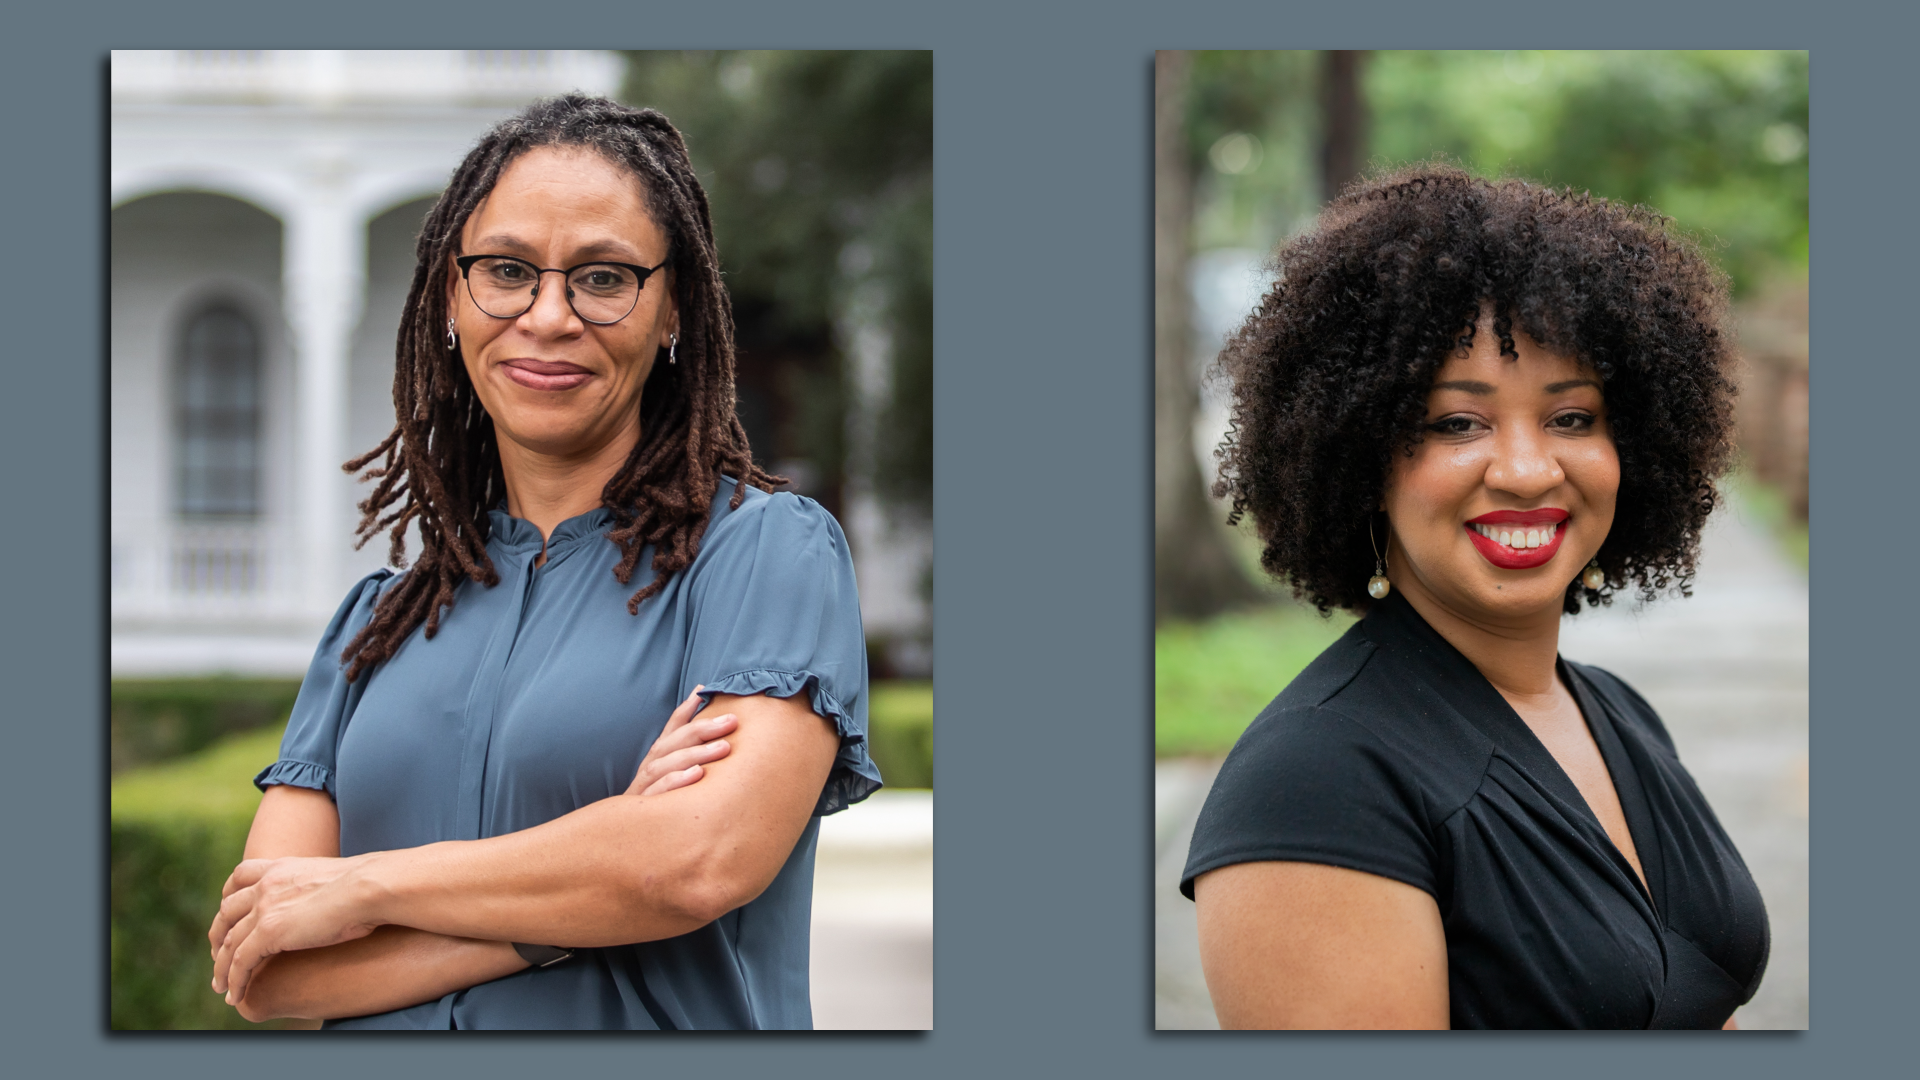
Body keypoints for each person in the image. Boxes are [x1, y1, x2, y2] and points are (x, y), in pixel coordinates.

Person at [204, 95, 880, 1030]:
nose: (549, 315)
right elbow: (267, 969)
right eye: (508, 271)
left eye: (603, 278)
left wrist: (363, 886)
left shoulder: (762, 555)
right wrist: (589, 887)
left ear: (672, 308)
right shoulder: (376, 626)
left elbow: (696, 862)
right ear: (452, 297)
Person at [1180, 166, 1768, 1029]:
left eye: (1572, 418)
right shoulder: (1314, 785)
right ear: (1361, 457)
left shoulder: (1619, 712)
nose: (1527, 471)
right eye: (1458, 422)